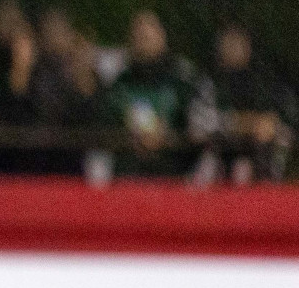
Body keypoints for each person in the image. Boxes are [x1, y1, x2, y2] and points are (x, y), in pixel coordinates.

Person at [99, 10, 213, 177]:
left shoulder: (184, 78)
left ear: (162, 37)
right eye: (138, 36)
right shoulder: (120, 82)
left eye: (147, 36)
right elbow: (104, 120)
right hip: (129, 174)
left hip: (175, 173)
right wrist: (131, 136)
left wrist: (167, 135)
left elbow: (202, 123)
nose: (143, 42)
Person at [206, 24, 294, 183]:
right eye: (229, 44)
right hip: (224, 144)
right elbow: (209, 121)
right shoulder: (211, 81)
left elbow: (280, 114)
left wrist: (266, 124)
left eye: (239, 44)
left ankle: (268, 189)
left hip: (262, 142)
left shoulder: (261, 79)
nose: (234, 50)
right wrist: (246, 123)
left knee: (273, 137)